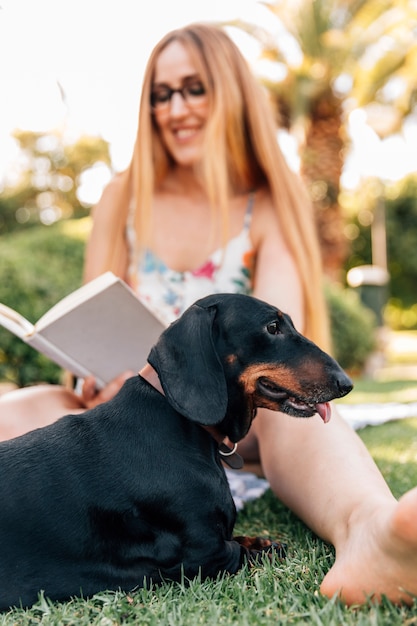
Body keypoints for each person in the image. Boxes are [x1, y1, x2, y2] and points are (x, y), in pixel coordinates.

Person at [1, 22, 417, 607]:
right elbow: (91, 311)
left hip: (233, 425)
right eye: (161, 94)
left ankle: (370, 531)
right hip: (127, 416)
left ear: (230, 94)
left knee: (285, 416)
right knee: (27, 405)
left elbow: (278, 347)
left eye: (194, 88)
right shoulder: (123, 195)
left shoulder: (268, 203)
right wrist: (91, 379)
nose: (177, 109)